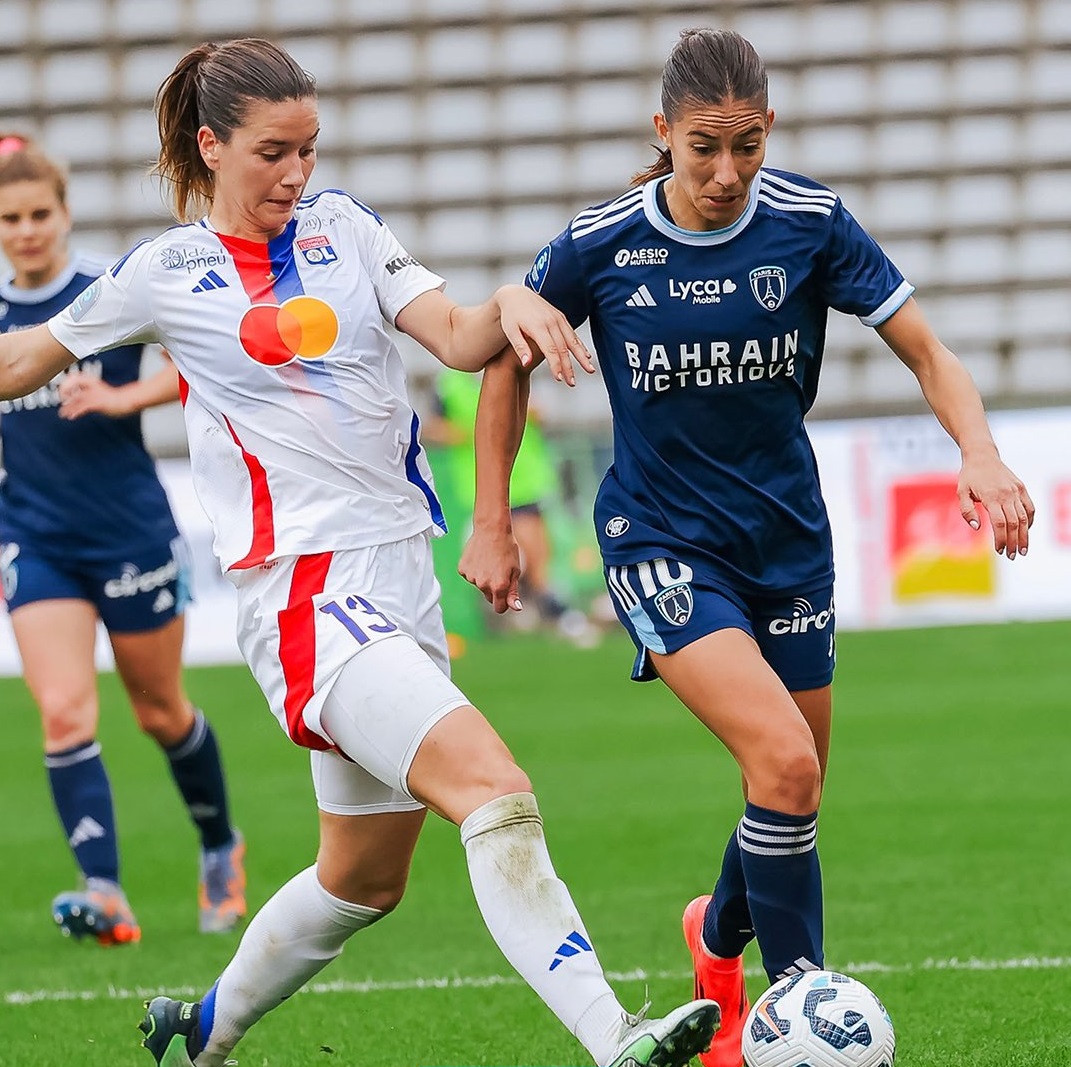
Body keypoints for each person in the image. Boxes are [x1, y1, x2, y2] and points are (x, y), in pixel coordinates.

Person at [0, 40, 720, 1067]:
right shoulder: (165, 272)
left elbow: (460, 334)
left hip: (398, 577)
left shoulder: (347, 229)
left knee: (364, 876)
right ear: (211, 147)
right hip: (304, 591)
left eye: (310, 149)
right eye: (272, 153)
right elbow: (26, 354)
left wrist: (511, 301)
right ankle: (616, 1037)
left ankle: (199, 1031)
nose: (297, 174)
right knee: (495, 787)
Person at [458, 28, 1035, 1067]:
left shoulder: (810, 222)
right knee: (781, 759)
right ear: (662, 133)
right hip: (660, 540)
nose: (727, 173)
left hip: (788, 539)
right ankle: (794, 1012)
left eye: (750, 146)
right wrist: (493, 519)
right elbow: (500, 362)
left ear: (770, 133)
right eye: (705, 148)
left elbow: (927, 349)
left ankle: (713, 940)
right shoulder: (600, 243)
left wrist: (980, 450)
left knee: (796, 780)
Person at [0, 132, 246, 943]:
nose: (26, 230)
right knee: (64, 712)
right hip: (34, 540)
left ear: (65, 215)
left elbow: (197, 355)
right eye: (10, 218)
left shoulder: (105, 290)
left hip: (129, 532)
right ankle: (103, 890)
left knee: (159, 709)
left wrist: (121, 399)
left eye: (40, 213)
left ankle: (220, 845)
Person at [424, 368, 597, 641]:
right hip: (479, 489)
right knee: (498, 557)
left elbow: (541, 413)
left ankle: (556, 616)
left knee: (536, 558)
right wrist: (473, 433)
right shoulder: (449, 383)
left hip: (524, 483)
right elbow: (433, 427)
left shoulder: (516, 367)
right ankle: (526, 615)